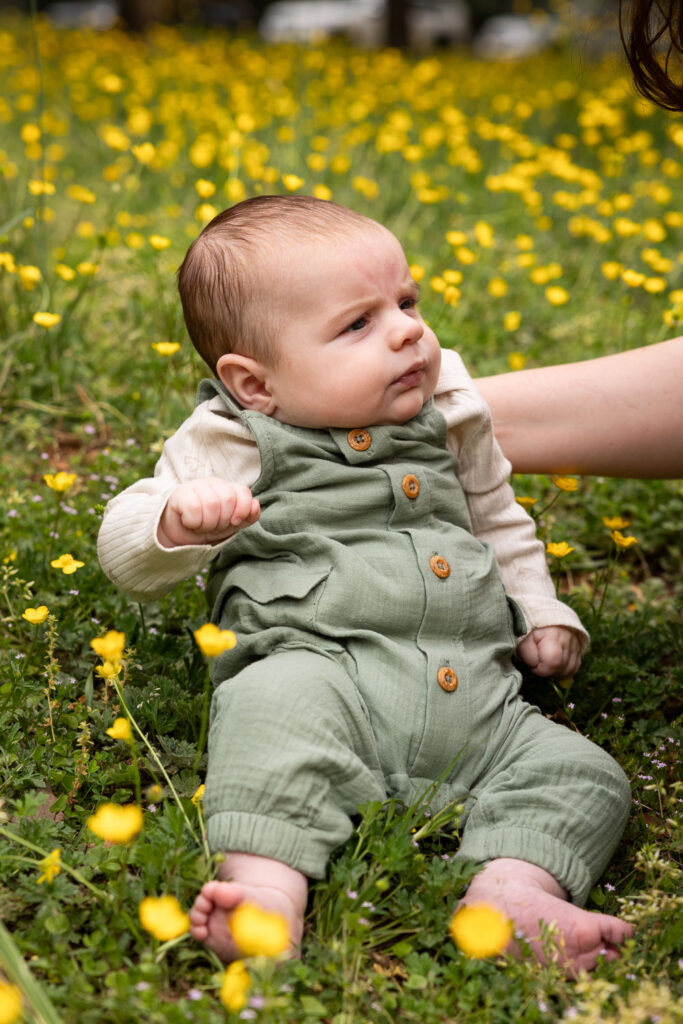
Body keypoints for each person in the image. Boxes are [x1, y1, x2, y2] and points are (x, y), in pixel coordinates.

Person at [98, 195, 632, 973]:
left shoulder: (449, 410)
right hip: (321, 677)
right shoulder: (232, 437)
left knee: (584, 773)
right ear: (255, 384)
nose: (407, 330)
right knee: (265, 711)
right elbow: (123, 547)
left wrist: (541, 608)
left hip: (479, 706)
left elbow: (496, 518)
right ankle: (266, 890)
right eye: (358, 324)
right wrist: (176, 521)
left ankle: (512, 890)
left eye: (407, 302)